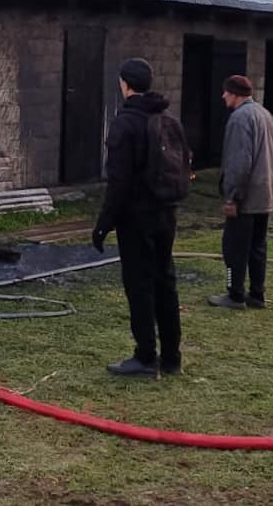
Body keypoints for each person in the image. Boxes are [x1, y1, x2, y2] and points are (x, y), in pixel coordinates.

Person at [92, 58, 190, 378]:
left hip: (136, 218)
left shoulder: (126, 123)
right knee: (165, 281)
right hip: (167, 213)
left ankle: (145, 357)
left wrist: (104, 224)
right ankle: (172, 357)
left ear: (125, 84)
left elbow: (118, 182)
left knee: (139, 285)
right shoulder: (168, 119)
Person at [208, 75, 273, 310]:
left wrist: (232, 196)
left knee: (234, 247)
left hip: (245, 197)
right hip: (265, 194)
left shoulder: (239, 119)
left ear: (235, 94)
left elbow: (239, 162)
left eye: (226, 92)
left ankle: (235, 294)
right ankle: (257, 294)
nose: (223, 96)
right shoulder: (267, 115)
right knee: (258, 246)